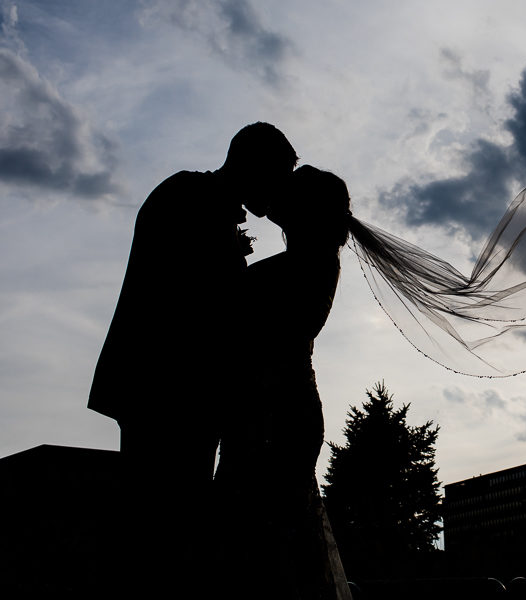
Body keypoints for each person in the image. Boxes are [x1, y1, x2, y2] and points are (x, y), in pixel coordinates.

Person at [88, 122, 298, 482]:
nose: (282, 190)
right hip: (165, 390)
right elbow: (206, 301)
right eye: (278, 176)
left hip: (181, 391)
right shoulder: (191, 197)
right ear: (254, 166)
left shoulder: (203, 200)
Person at [215, 165, 352, 599]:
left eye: (289, 196)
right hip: (277, 405)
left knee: (265, 538)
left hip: (277, 409)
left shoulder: (306, 265)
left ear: (304, 211)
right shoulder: (310, 262)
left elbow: (243, 313)